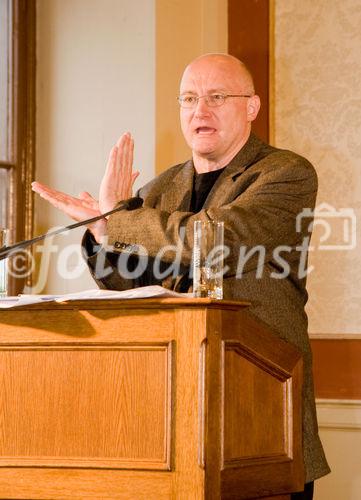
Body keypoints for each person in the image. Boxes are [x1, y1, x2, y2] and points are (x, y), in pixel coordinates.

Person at [32, 53, 330, 497]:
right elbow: (129, 282)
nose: (199, 110)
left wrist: (119, 222)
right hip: (172, 405)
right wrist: (100, 233)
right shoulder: (159, 188)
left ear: (251, 106)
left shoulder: (285, 172)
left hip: (259, 398)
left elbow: (220, 238)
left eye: (216, 97)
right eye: (189, 98)